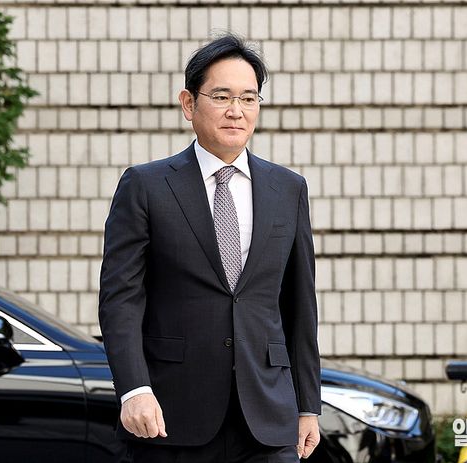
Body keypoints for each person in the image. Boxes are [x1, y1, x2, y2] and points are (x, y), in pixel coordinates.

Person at [98, 34, 321, 463]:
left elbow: (299, 305)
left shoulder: (288, 189)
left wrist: (307, 405)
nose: (236, 110)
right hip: (171, 415)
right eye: (221, 96)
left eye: (249, 98)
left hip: (268, 419)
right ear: (189, 104)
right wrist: (134, 389)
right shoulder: (145, 186)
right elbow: (120, 299)